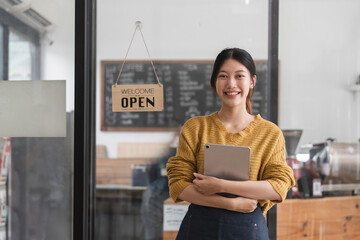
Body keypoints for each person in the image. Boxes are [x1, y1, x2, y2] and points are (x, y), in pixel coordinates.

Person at [166, 48, 295, 240]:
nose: (231, 84)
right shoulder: (195, 128)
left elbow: (277, 188)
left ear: (252, 81)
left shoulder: (270, 133)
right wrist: (231, 204)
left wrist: (221, 185)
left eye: (239, 76)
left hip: (248, 229)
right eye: (223, 76)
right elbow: (178, 185)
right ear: (215, 82)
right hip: (199, 229)